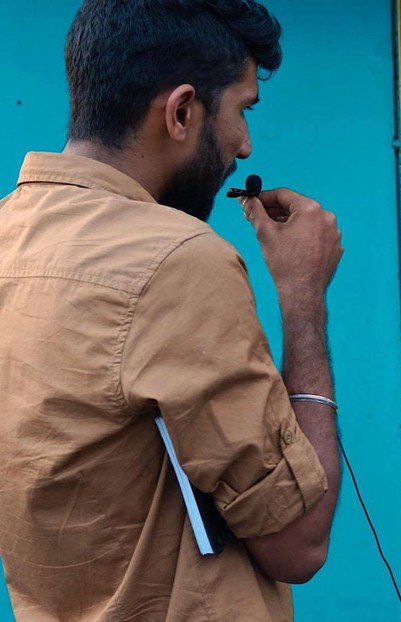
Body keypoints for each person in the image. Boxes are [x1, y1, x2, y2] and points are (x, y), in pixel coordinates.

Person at [0, 1, 343, 620]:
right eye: (241, 110)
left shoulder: (8, 236)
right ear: (182, 111)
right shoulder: (179, 259)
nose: (244, 145)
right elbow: (299, 542)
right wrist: (303, 296)